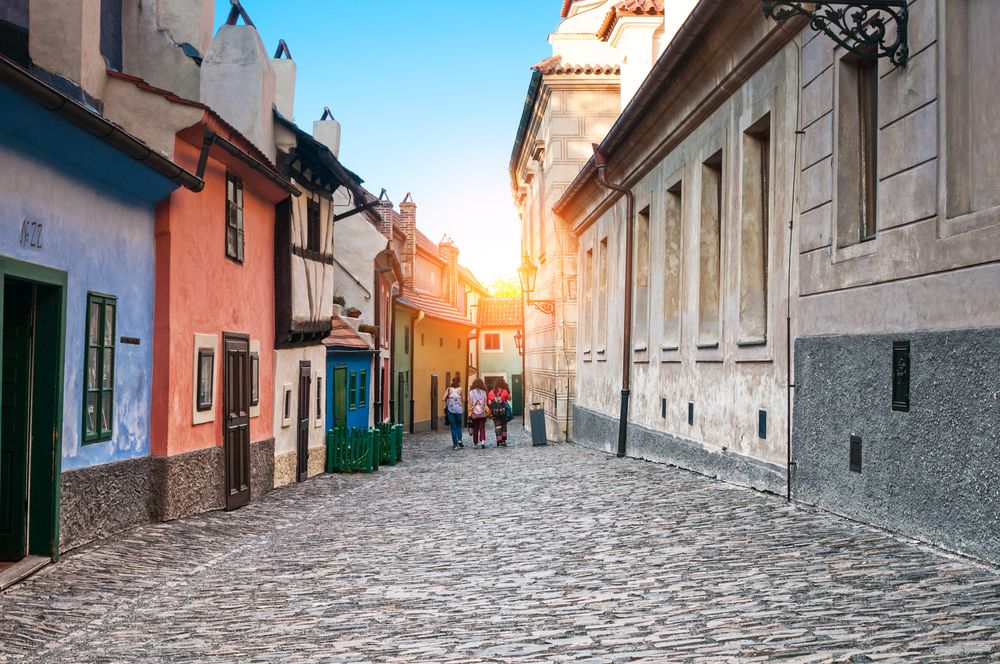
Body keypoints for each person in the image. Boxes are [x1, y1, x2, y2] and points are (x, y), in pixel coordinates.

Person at [488, 378, 512, 447]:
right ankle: (504, 441)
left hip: (495, 412)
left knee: (498, 426)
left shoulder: (491, 392)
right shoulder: (505, 391)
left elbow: (489, 403)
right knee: (504, 426)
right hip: (503, 412)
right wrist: (508, 390)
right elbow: (510, 398)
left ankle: (499, 442)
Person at [444, 376, 465, 449]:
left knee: (453, 427)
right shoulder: (461, 389)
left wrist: (449, 397)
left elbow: (443, 398)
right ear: (459, 382)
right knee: (459, 425)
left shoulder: (449, 389)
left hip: (451, 409)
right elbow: (464, 399)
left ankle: (455, 444)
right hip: (459, 410)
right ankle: (460, 440)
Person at [468, 378, 489, 449]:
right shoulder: (484, 392)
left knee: (475, 428)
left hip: (474, 413)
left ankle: (475, 442)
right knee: (482, 427)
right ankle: (483, 441)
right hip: (482, 413)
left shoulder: (471, 393)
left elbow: (470, 404)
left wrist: (469, 413)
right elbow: (485, 403)